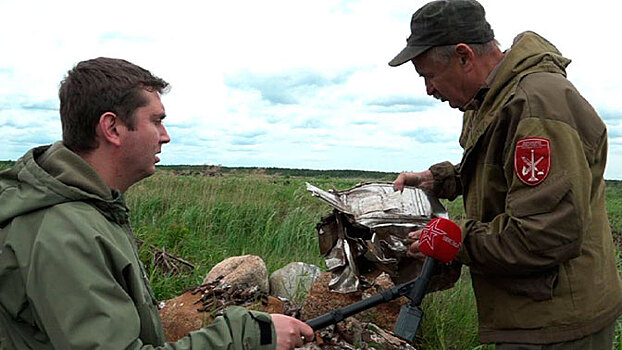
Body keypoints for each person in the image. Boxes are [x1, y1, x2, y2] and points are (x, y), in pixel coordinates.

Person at [0, 57, 314, 349]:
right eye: (157, 121)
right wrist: (248, 335)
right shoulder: (62, 232)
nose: (165, 136)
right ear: (112, 128)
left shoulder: (90, 210)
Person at [388, 0, 622, 349]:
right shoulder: (492, 100)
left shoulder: (535, 105)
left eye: (430, 76)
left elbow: (545, 234)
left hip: (556, 324)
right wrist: (443, 180)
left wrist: (455, 239)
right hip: (534, 312)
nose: (429, 91)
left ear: (464, 56)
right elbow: (507, 173)